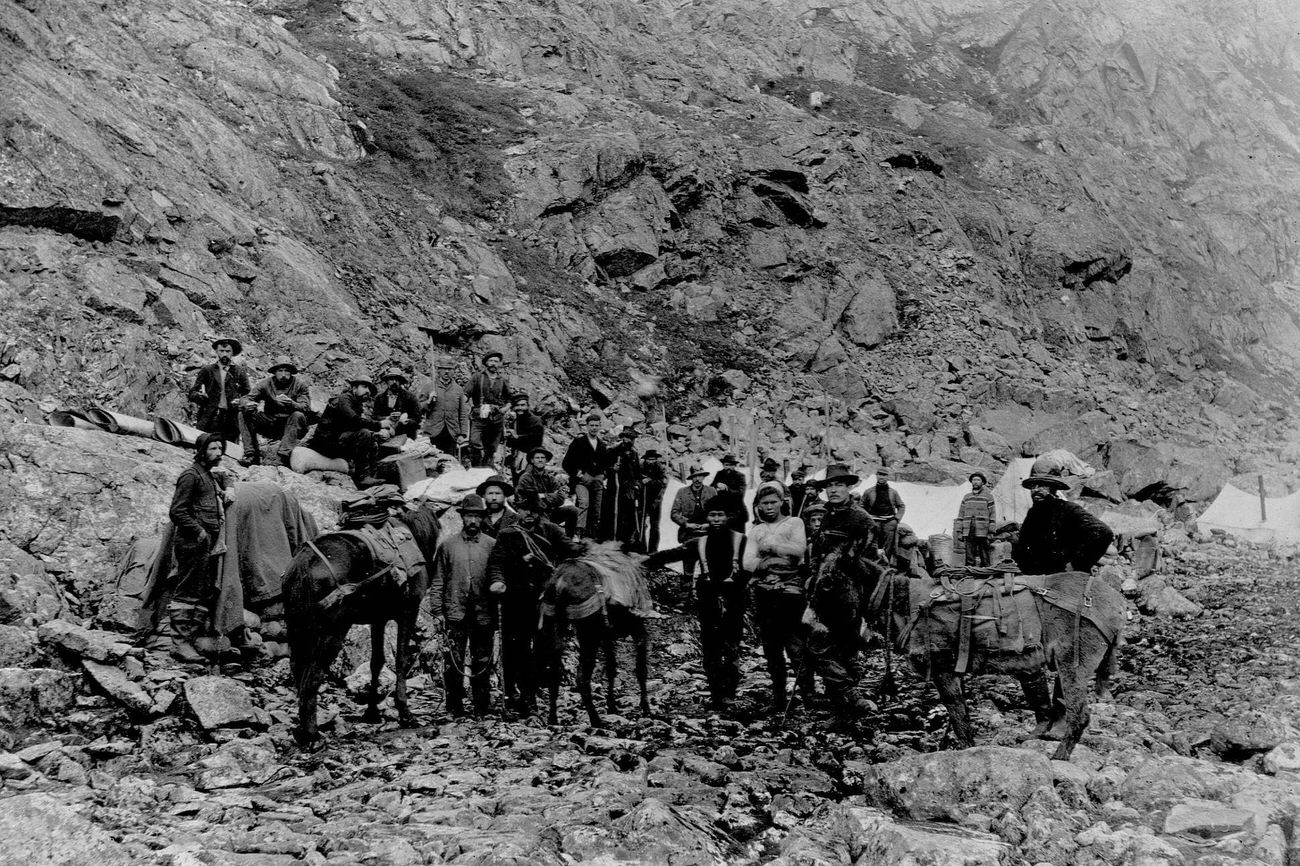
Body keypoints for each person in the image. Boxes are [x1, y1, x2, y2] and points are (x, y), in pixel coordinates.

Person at [486, 490, 568, 717]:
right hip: (516, 600)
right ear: (518, 511)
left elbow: (568, 550)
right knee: (516, 650)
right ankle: (518, 696)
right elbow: (496, 563)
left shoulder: (551, 531)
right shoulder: (507, 534)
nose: (529, 514)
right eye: (524, 509)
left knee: (543, 651)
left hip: (544, 601)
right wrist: (498, 581)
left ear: (539, 511)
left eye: (534, 510)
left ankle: (532, 693)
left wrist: (589, 549)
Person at [805, 463, 878, 718]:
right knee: (830, 650)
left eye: (838, 485)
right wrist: (815, 574)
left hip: (849, 595)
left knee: (827, 648)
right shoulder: (826, 516)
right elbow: (817, 552)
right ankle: (845, 711)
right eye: (829, 486)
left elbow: (868, 562)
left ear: (849, 487)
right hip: (823, 592)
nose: (833, 490)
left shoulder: (861, 519)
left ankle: (851, 698)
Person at [744, 481, 810, 717]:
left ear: (782, 502)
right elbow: (748, 563)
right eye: (764, 503)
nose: (769, 507)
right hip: (764, 594)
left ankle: (808, 695)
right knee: (771, 648)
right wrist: (775, 558)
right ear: (758, 506)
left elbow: (798, 550)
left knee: (796, 645)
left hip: (790, 593)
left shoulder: (794, 522)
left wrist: (770, 547)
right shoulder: (756, 531)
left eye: (773, 502)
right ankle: (779, 698)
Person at [430, 494, 497, 717]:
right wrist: (437, 611)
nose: (473, 521)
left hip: (483, 612)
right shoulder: (447, 546)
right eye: (469, 515)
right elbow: (438, 579)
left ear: (482, 518)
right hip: (455, 612)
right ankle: (454, 707)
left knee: (483, 660)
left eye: (477, 516)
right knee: (453, 661)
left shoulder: (491, 545)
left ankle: (481, 707)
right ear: (462, 517)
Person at [167, 432, 233, 641]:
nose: (218, 453)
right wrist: (199, 531)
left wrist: (229, 487)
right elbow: (177, 511)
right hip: (192, 542)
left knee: (202, 589)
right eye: (213, 449)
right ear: (201, 451)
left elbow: (224, 475)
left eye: (220, 449)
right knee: (187, 590)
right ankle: (179, 642)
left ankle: (192, 638)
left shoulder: (208, 475)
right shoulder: (191, 476)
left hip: (206, 545)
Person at [683, 503, 747, 711]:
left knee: (731, 650)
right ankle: (716, 696)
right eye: (713, 515)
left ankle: (728, 695)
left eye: (721, 514)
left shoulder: (741, 541)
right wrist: (643, 560)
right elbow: (673, 553)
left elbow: (754, 566)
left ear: (729, 517)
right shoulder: (699, 542)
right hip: (708, 604)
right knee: (710, 651)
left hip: (734, 604)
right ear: (707, 517)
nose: (717, 519)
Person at [1013, 474, 1114, 575]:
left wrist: (1077, 564)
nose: (1036, 490)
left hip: (1066, 576)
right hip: (1038, 576)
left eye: (1042, 486)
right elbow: (1023, 544)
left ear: (1053, 489)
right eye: (1033, 487)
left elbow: (1103, 532)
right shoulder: (1033, 513)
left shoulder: (1068, 509)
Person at [306, 376, 391, 485]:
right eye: (364, 387)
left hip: (336, 440)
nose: (367, 391)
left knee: (371, 439)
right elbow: (354, 420)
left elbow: (352, 426)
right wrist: (379, 425)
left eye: (369, 390)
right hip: (326, 443)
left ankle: (371, 477)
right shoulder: (344, 399)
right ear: (354, 388)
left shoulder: (355, 403)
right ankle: (361, 477)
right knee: (364, 434)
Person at [238, 356, 309, 466]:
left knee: (298, 415)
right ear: (275, 372)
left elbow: (305, 407)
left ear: (291, 372)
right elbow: (247, 397)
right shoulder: (266, 384)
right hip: (271, 423)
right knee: (243, 414)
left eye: (287, 371)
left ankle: (282, 456)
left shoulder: (300, 385)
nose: (284, 374)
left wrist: (292, 403)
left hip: (291, 426)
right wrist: (247, 404)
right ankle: (251, 454)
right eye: (280, 371)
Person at [188, 337, 251, 443]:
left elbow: (248, 394)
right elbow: (192, 393)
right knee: (206, 446)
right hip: (209, 417)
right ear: (216, 352)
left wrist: (240, 401)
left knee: (230, 450)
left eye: (228, 351)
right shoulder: (207, 370)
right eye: (221, 351)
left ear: (232, 353)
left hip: (231, 419)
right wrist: (200, 396)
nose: (224, 354)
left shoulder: (240, 372)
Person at [561, 413, 609, 540]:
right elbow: (566, 462)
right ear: (586, 426)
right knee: (584, 503)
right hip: (582, 481)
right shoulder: (578, 442)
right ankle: (578, 532)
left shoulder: (602, 445)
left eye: (596, 426)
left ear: (600, 427)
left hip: (597, 481)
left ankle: (592, 535)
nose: (594, 428)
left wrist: (603, 475)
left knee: (597, 508)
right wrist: (578, 473)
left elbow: (606, 463)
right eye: (591, 425)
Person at [669, 465, 716, 588]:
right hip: (689, 534)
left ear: (703, 477)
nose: (697, 479)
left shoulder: (711, 491)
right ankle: (686, 592)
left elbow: (719, 512)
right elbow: (674, 513)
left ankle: (707, 593)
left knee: (708, 566)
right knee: (688, 566)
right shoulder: (682, 492)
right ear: (691, 478)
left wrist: (708, 524)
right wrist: (687, 524)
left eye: (700, 476)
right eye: (695, 476)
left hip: (707, 533)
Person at [467, 351, 514, 466]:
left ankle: (488, 468)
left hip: (496, 417)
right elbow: (466, 393)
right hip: (479, 416)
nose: (493, 364)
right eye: (491, 361)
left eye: (496, 361)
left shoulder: (503, 380)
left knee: (492, 446)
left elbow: (511, 399)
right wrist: (463, 403)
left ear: (499, 364)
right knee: (474, 441)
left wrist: (505, 408)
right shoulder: (477, 377)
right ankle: (476, 467)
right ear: (486, 363)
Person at [515, 447, 575, 533]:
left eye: (542, 458)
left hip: (550, 512)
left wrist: (543, 495)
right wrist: (552, 496)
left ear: (546, 460)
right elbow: (531, 500)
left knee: (572, 510)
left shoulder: (550, 478)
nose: (540, 460)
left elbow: (561, 498)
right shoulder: (526, 478)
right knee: (550, 531)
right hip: (534, 514)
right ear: (532, 460)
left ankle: (571, 537)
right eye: (537, 458)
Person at [422, 360, 470, 457]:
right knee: (432, 462)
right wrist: (428, 401)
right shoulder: (429, 387)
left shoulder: (458, 390)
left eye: (450, 369)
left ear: (454, 371)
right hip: (433, 432)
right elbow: (418, 409)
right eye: (443, 369)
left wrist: (463, 434)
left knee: (450, 462)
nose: (447, 372)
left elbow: (463, 414)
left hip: (452, 433)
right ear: (438, 371)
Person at [606, 426, 643, 545]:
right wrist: (612, 468)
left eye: (631, 438)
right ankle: (614, 539)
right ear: (623, 438)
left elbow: (637, 472)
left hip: (630, 487)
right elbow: (604, 467)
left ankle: (628, 539)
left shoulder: (634, 453)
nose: (629, 440)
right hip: (616, 487)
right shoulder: (614, 451)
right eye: (626, 437)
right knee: (616, 513)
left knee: (630, 513)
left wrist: (637, 483)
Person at [862, 467, 906, 562]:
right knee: (873, 544)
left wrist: (896, 519)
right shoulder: (868, 491)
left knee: (888, 546)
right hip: (874, 522)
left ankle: (885, 565)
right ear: (876, 476)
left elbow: (901, 506)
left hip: (889, 522)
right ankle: (873, 565)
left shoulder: (893, 492)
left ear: (887, 477)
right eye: (880, 474)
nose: (881, 477)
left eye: (884, 475)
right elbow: (861, 506)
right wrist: (867, 519)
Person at [955, 471, 997, 567]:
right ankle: (970, 573)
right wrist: (959, 530)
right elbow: (961, 514)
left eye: (978, 480)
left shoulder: (988, 497)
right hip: (969, 529)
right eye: (974, 480)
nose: (975, 482)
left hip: (983, 529)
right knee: (969, 553)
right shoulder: (967, 497)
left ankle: (986, 572)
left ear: (982, 483)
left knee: (984, 553)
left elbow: (993, 514)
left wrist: (991, 531)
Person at [504, 393, 544, 482]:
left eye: (523, 405)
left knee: (527, 482)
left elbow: (536, 439)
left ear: (528, 406)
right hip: (516, 457)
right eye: (517, 405)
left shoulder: (536, 420)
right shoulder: (514, 421)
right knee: (517, 483)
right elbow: (510, 442)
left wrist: (517, 437)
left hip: (531, 458)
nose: (520, 408)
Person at [374, 368, 422, 439]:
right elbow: (375, 416)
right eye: (391, 379)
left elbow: (417, 417)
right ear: (387, 381)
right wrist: (388, 418)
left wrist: (405, 419)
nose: (394, 382)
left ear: (401, 382)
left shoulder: (410, 397)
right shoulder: (379, 398)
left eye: (397, 380)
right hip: (386, 430)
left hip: (405, 431)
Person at [640, 450, 669, 553]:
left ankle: (653, 550)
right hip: (642, 499)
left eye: (653, 459)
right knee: (641, 524)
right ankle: (641, 549)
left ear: (656, 459)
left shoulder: (661, 468)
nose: (651, 462)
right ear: (645, 459)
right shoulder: (640, 466)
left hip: (656, 500)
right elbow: (637, 479)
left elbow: (664, 483)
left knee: (655, 526)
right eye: (649, 459)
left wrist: (650, 480)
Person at [476, 475, 518, 539]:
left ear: (505, 495)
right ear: (484, 496)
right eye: (490, 493)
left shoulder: (516, 519)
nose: (494, 498)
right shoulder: (477, 518)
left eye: (498, 493)